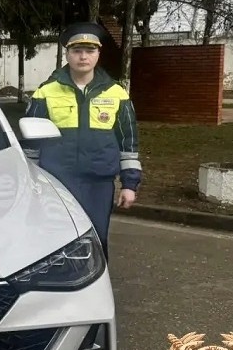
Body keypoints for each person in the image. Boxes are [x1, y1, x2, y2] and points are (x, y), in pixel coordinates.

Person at [21, 21, 142, 260]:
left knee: (96, 238)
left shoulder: (116, 93)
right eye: (77, 50)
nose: (83, 57)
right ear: (67, 54)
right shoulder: (46, 92)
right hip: (57, 181)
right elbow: (31, 144)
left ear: (98, 54)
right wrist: (30, 182)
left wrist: (129, 184)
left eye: (90, 50)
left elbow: (128, 143)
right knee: (57, 240)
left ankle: (96, 281)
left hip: (98, 183)